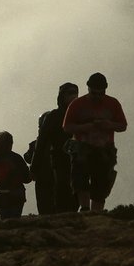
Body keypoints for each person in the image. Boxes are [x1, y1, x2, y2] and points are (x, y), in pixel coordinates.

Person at [62, 72, 128, 212]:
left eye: (100, 93)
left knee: (101, 183)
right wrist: (85, 127)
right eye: (94, 93)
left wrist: (109, 125)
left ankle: (96, 213)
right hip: (82, 148)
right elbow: (67, 126)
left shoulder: (113, 103)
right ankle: (85, 209)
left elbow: (123, 125)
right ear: (88, 89)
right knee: (81, 180)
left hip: (104, 149)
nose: (97, 96)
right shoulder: (77, 104)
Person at [30, 82, 80, 214]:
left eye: (75, 93)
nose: (73, 96)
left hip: (80, 160)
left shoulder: (81, 115)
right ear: (61, 96)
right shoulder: (53, 117)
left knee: (77, 192)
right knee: (63, 191)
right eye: (69, 93)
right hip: (60, 161)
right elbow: (41, 144)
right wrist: (34, 167)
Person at [0, 131, 31, 219]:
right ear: (10, 143)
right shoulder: (16, 158)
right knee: (15, 221)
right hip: (16, 195)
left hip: (1, 195)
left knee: (5, 221)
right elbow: (27, 179)